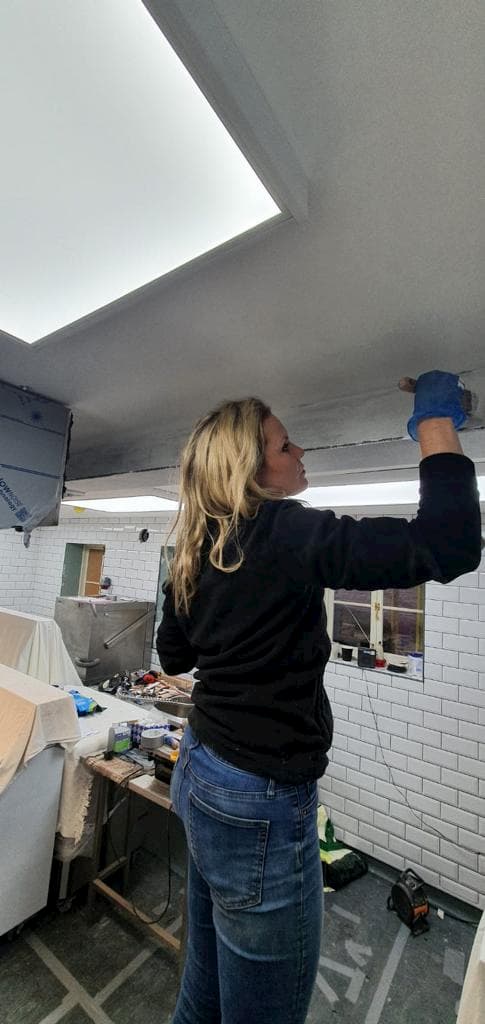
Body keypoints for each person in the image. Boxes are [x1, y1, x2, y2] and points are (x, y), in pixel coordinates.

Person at [156, 370, 481, 1024]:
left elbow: (174, 655)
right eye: (284, 447)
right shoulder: (282, 530)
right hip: (257, 796)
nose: (299, 452)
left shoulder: (197, 546)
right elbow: (447, 545)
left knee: (205, 988)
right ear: (253, 473)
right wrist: (434, 428)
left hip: (200, 769)